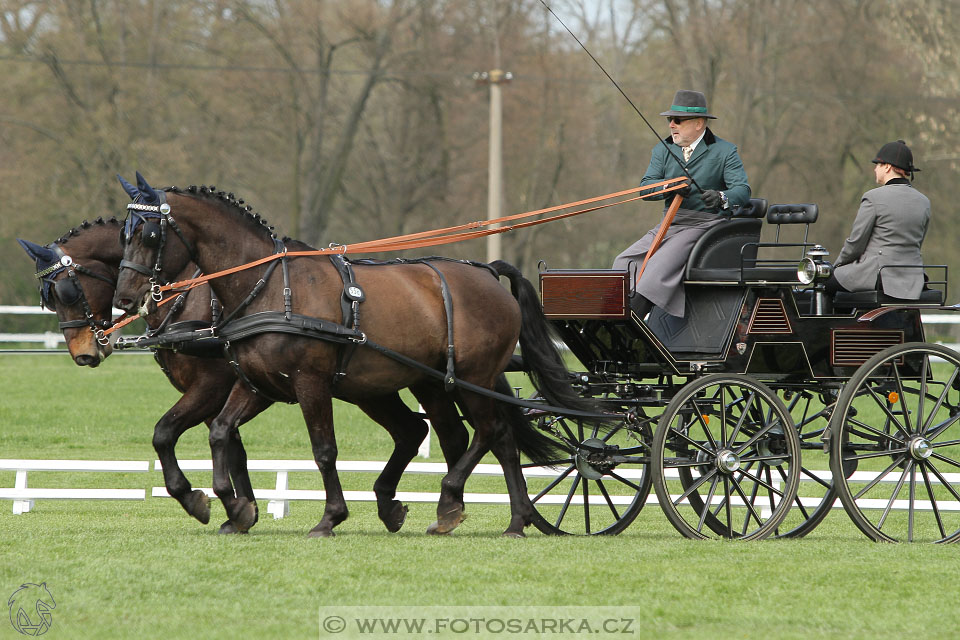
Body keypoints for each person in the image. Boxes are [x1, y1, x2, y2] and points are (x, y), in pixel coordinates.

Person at [613, 90, 750, 318]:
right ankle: (614, 317)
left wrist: (720, 196)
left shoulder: (725, 151)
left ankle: (635, 322)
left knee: (656, 270)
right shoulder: (662, 150)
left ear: (698, 123)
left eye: (678, 120)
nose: (671, 125)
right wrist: (668, 187)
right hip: (670, 223)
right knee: (623, 262)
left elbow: (742, 190)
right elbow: (646, 188)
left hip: (705, 226)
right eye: (670, 120)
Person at [826, 140, 930, 298]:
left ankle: (838, 323)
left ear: (887, 167)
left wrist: (837, 266)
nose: (875, 169)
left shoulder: (873, 198)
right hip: (913, 278)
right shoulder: (924, 202)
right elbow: (917, 243)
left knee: (824, 284)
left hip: (879, 275)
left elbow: (855, 243)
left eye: (878, 165)